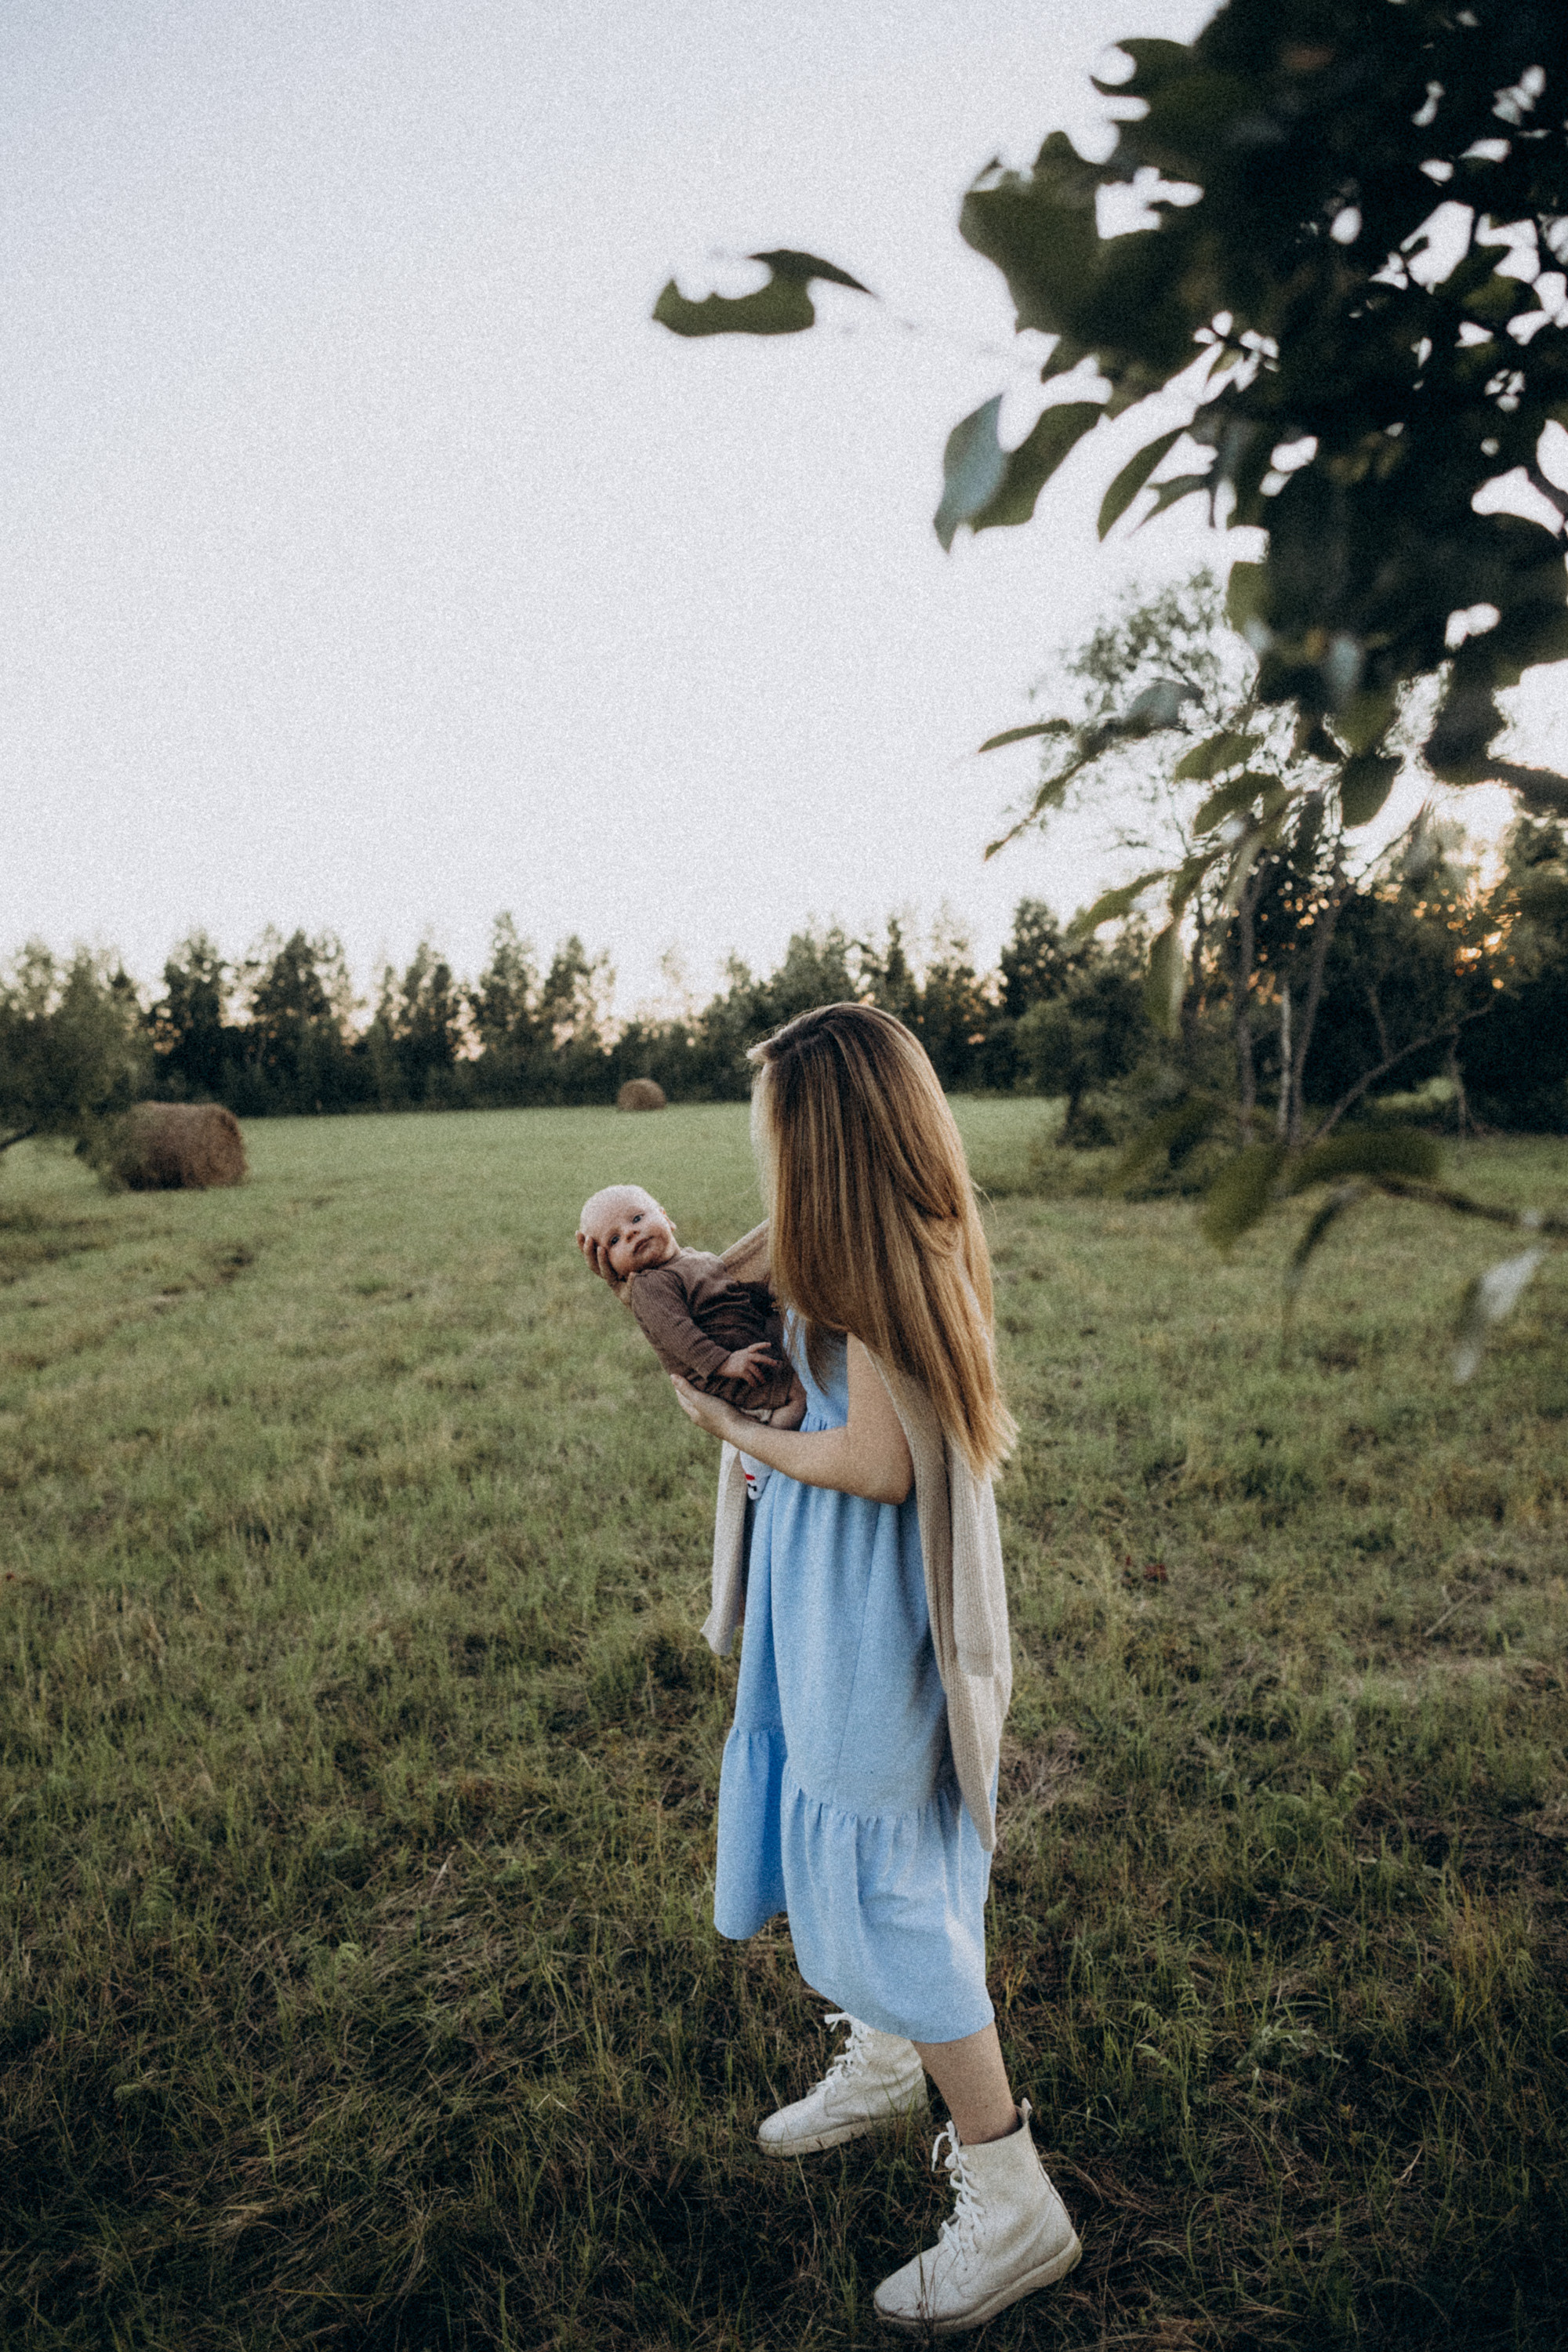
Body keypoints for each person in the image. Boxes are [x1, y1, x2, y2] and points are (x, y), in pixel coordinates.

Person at [582, 1006, 1080, 2333]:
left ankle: (1009, 2189)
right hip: (822, 1606)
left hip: (874, 1618)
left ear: (830, 1143)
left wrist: (708, 1412)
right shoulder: (829, 1246)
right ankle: (881, 2055)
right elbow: (744, 1332)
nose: (764, 1158)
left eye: (778, 1133)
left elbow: (878, 1459)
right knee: (856, 1862)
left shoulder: (886, 1265)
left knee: (891, 1884)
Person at [575, 1183, 808, 1491]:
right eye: (615, 1239)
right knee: (798, 1395)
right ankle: (759, 1459)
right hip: (717, 1373)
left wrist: (767, 1294)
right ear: (610, 1265)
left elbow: (732, 1295)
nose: (631, 1234)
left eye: (637, 1219)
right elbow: (678, 1336)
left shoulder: (700, 1259)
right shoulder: (649, 1285)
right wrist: (724, 1362)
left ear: (666, 1218)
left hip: (742, 1349)